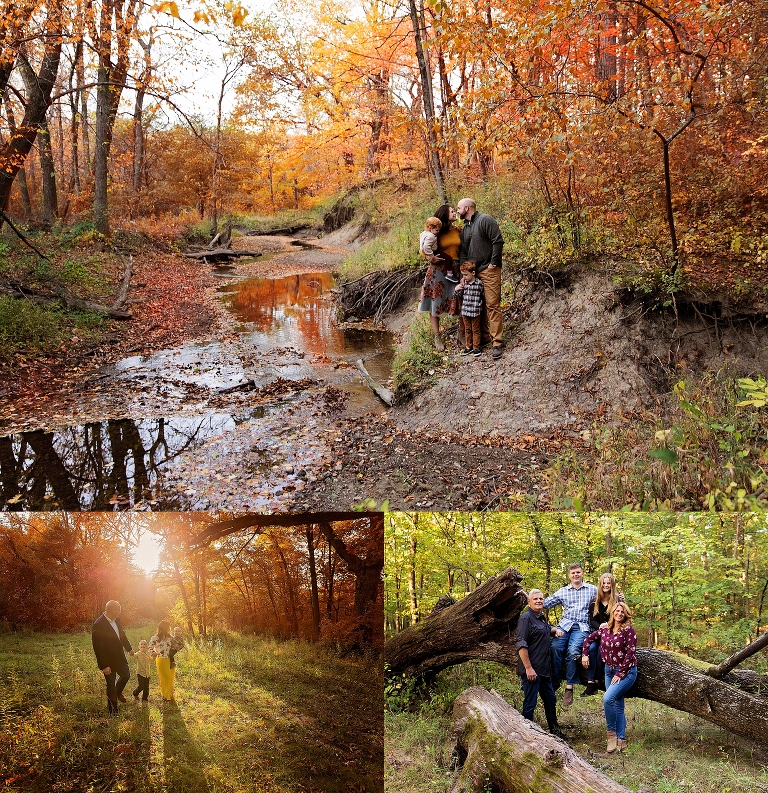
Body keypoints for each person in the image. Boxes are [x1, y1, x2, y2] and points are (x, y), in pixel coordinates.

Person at [581, 601, 638, 753]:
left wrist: (621, 673)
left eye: (622, 612)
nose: (619, 614)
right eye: (617, 611)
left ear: (626, 615)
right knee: (618, 705)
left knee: (607, 699)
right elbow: (587, 640)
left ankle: (611, 735)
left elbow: (630, 653)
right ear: (612, 613)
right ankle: (621, 739)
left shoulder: (628, 630)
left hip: (626, 672)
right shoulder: (605, 629)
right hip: (608, 670)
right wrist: (585, 654)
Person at [543, 563, 597, 706]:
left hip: (582, 627)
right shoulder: (563, 591)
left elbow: (607, 597)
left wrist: (619, 598)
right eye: (573, 573)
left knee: (573, 650)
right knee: (555, 647)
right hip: (564, 626)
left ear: (582, 573)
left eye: (578, 572)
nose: (575, 575)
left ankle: (569, 686)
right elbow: (545, 603)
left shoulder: (592, 589)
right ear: (569, 575)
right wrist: (528, 597)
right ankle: (555, 681)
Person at [457, 198, 504, 359]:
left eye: (459, 208)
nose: (457, 211)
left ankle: (497, 342)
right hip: (473, 274)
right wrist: (464, 274)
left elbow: (497, 241)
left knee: (492, 304)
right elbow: (463, 252)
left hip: (489, 270)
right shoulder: (465, 229)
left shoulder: (485, 220)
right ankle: (483, 338)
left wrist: (493, 263)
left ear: (467, 208)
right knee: (479, 305)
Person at [516, 589, 565, 738]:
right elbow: (521, 645)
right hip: (532, 672)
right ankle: (527, 736)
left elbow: (545, 629)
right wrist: (529, 668)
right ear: (529, 601)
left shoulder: (541, 618)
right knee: (530, 703)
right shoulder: (526, 618)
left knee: (550, 700)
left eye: (541, 599)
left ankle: (556, 733)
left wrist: (554, 629)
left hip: (544, 671)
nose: (539, 601)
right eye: (535, 599)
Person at [418, 204, 462, 351]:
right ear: (444, 214)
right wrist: (429, 258)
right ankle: (437, 337)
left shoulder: (458, 230)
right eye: (451, 211)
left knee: (459, 299)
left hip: (455, 268)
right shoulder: (436, 231)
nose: (454, 213)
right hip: (438, 270)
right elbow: (423, 248)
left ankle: (461, 333)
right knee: (435, 301)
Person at [582, 573, 624, 697]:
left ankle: (596, 681)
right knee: (592, 648)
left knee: (601, 650)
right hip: (598, 633)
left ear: (612, 585)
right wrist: (599, 626)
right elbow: (592, 619)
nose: (606, 585)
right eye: (604, 583)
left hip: (612, 634)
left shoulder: (617, 599)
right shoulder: (595, 600)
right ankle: (590, 682)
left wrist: (609, 624)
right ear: (600, 585)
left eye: (608, 583)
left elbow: (622, 616)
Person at [91, 600, 134, 716]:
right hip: (108, 661)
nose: (120, 613)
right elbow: (98, 647)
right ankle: (113, 712)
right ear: (113, 610)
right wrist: (104, 665)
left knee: (126, 675)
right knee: (110, 685)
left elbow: (122, 635)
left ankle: (117, 692)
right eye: (119, 610)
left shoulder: (117, 620)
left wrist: (129, 648)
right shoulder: (98, 624)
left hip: (119, 658)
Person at [149, 620, 185, 701]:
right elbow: (150, 647)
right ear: (164, 628)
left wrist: (178, 648)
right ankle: (166, 695)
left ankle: (169, 693)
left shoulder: (170, 637)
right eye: (168, 628)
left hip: (170, 660)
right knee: (165, 677)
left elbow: (177, 645)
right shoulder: (155, 638)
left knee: (170, 677)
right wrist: (153, 652)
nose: (169, 629)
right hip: (161, 660)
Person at [454, 261, 484, 357]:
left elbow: (483, 296)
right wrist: (456, 289)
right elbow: (458, 296)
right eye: (463, 275)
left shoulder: (479, 283)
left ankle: (476, 347)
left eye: (466, 275)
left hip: (475, 311)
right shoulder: (464, 284)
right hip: (466, 311)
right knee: (467, 329)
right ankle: (468, 346)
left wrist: (481, 305)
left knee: (476, 329)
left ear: (473, 273)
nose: (464, 277)